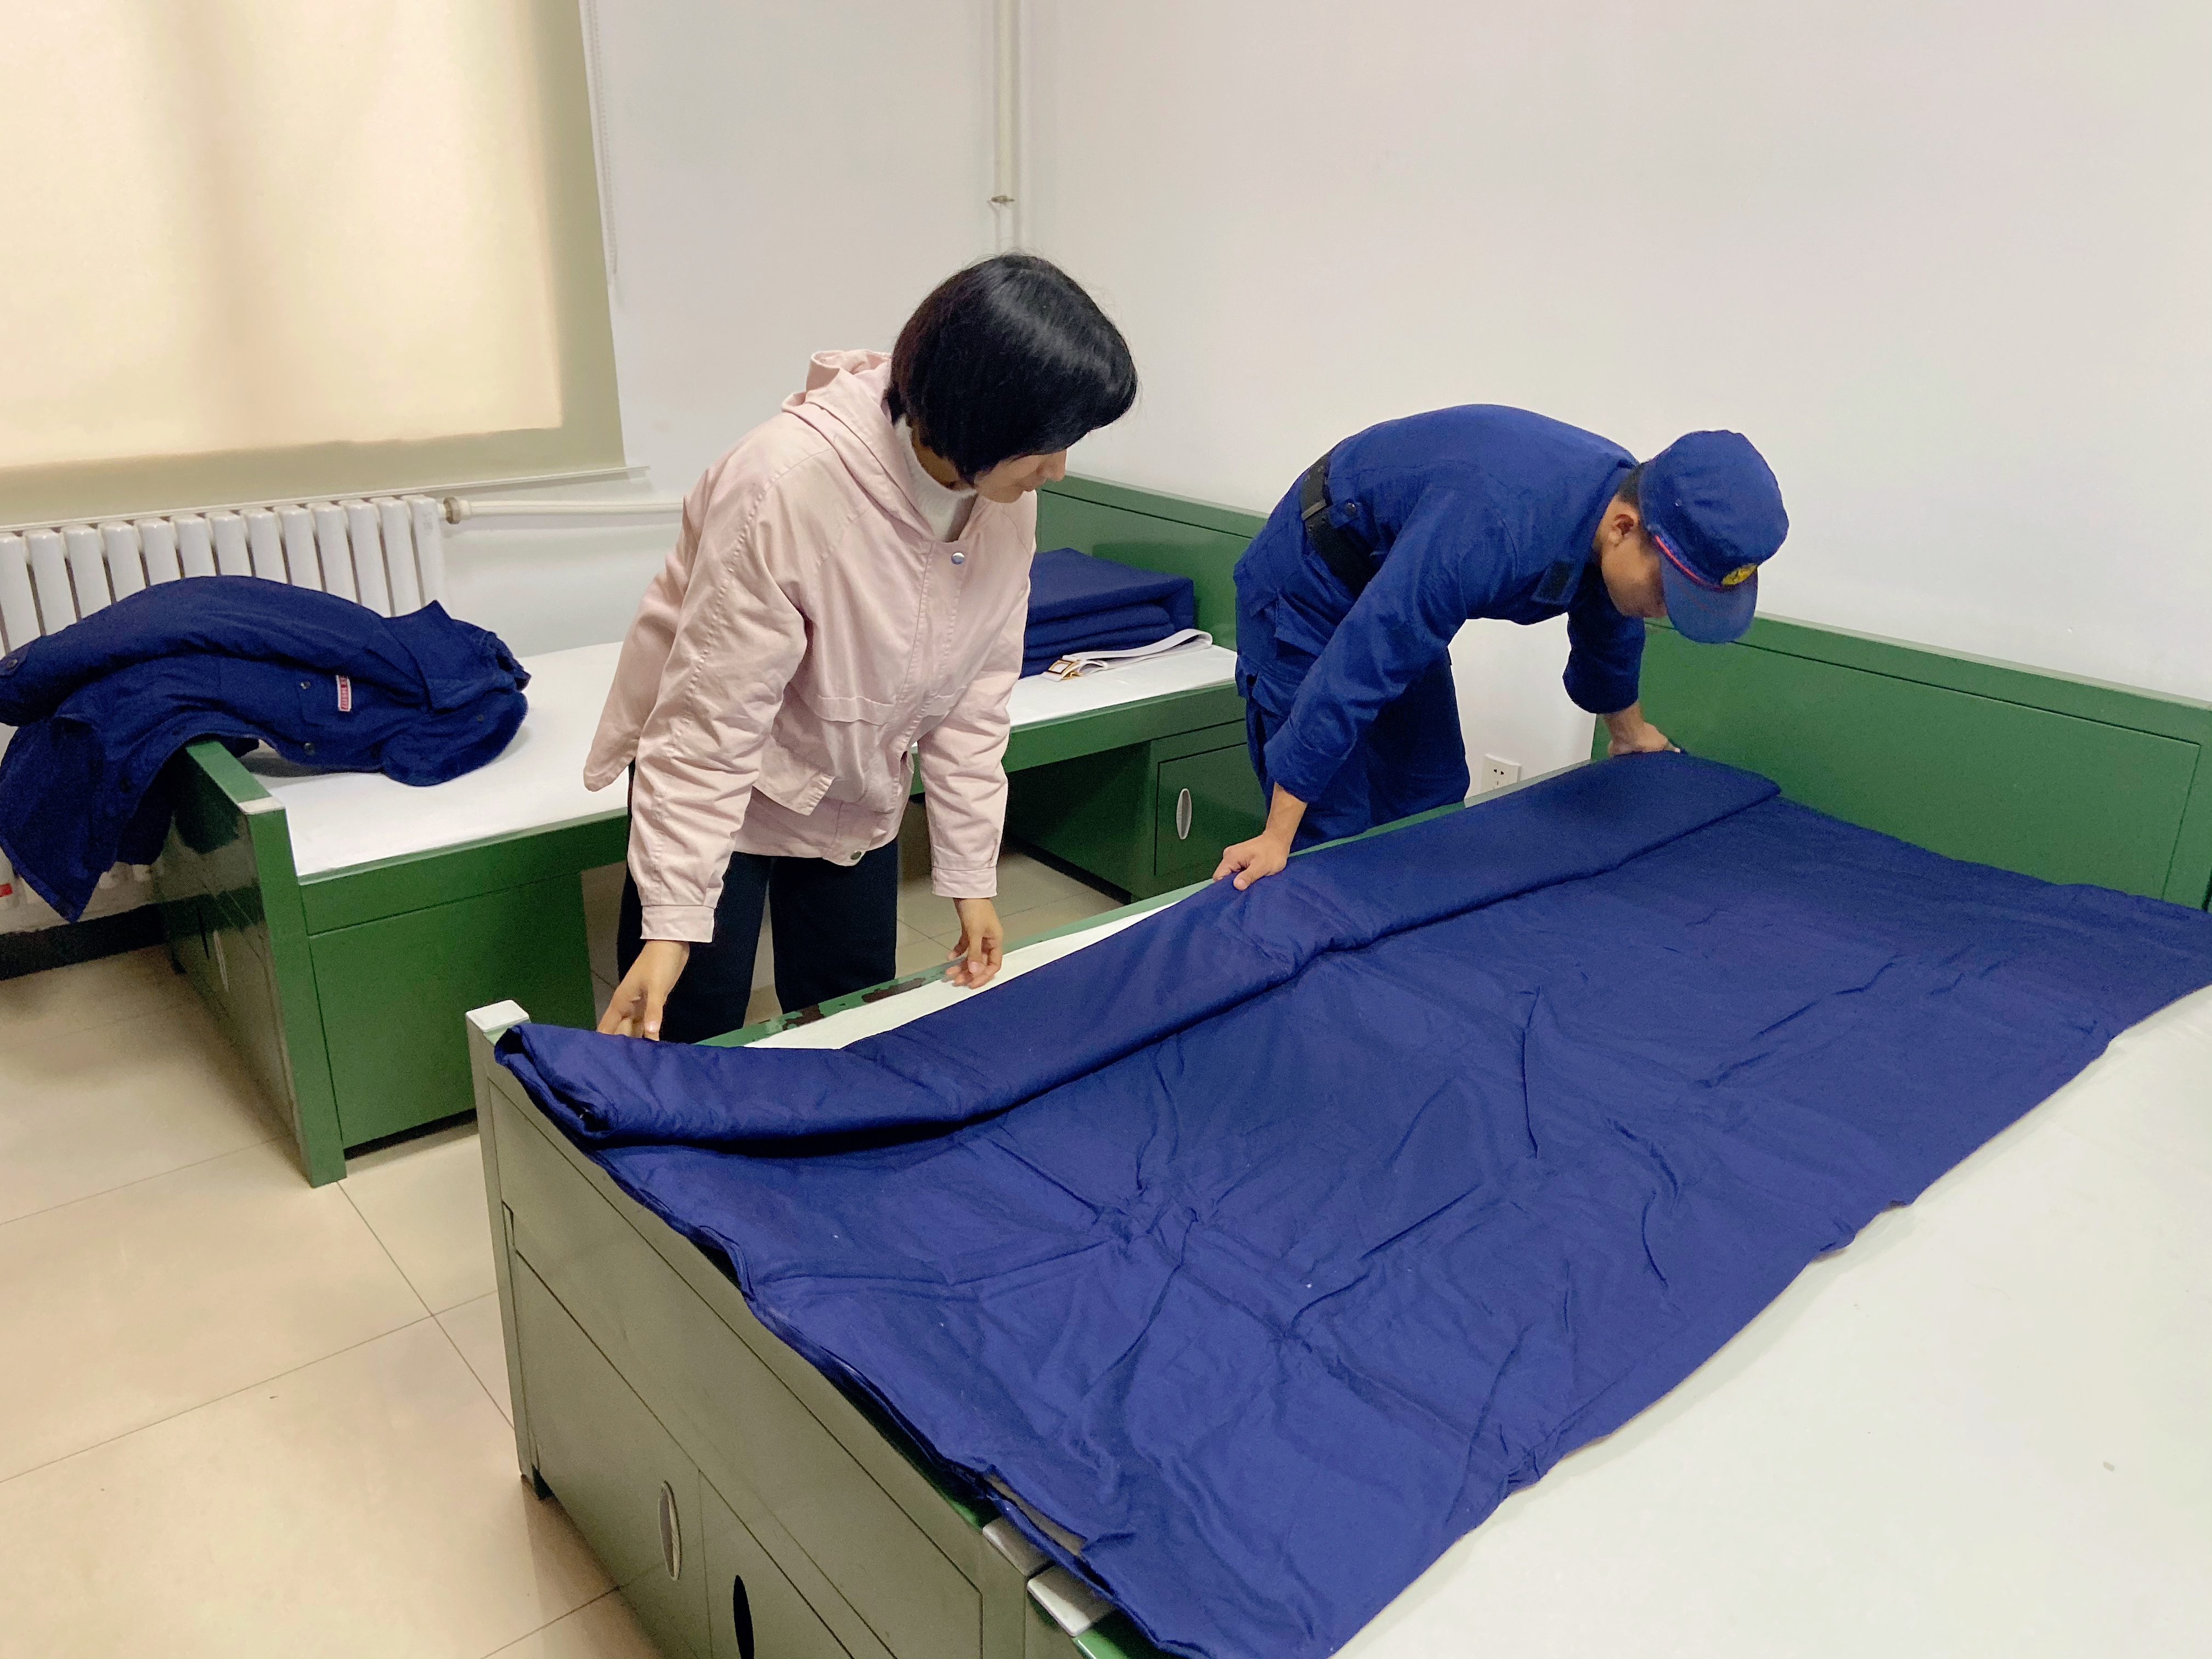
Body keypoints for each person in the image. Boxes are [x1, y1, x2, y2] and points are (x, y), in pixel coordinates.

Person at [591, 255, 1137, 1042]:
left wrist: (971, 879)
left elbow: (973, 701)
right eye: (1046, 444)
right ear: (979, 414)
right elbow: (711, 725)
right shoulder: (785, 485)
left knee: (852, 1006)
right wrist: (671, 925)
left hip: (854, 772)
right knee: (687, 1017)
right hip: (723, 776)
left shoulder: (1003, 497)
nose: (1058, 470)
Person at [1215, 407, 1787, 888]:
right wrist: (1278, 837)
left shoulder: (1621, 510)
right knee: (1329, 830)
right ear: (1622, 528)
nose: (1663, 611)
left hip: (1402, 576)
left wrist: (1629, 732)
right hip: (1309, 583)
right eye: (1666, 592)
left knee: (1432, 794)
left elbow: (1610, 627)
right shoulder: (1493, 527)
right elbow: (1361, 665)